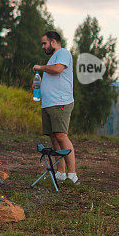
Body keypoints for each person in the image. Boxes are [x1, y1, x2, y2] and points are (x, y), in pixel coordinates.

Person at [33, 31, 78, 184]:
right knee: (54, 137)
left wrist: (41, 67)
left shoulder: (63, 53)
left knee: (61, 136)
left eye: (44, 43)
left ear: (53, 42)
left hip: (60, 102)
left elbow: (58, 69)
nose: (43, 46)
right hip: (48, 103)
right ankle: (60, 172)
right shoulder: (53, 58)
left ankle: (72, 174)